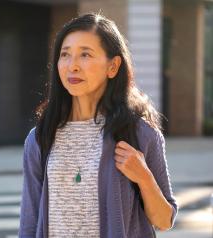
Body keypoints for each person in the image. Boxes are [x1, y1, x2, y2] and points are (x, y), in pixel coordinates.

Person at [18, 12, 178, 238]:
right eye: (65, 55)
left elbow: (164, 220)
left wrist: (143, 177)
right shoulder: (40, 137)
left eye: (85, 54)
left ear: (113, 67)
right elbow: (29, 221)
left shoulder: (139, 135)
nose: (72, 66)